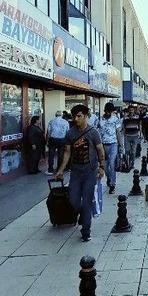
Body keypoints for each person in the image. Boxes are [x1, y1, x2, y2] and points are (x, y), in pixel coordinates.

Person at [55, 104, 105, 242]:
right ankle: (82, 215)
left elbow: (100, 150)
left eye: (79, 116)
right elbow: (67, 152)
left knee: (87, 202)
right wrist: (60, 170)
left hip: (90, 172)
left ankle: (86, 231)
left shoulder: (93, 132)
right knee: (74, 201)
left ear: (85, 116)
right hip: (75, 173)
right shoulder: (70, 133)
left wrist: (102, 167)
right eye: (74, 116)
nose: (76, 119)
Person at [98, 102, 123, 194]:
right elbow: (98, 133)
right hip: (103, 145)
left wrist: (121, 145)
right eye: (108, 111)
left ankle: (112, 184)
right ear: (105, 111)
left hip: (113, 144)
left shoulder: (115, 119)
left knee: (112, 164)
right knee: (105, 166)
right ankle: (109, 178)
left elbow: (118, 132)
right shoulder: (100, 120)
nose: (109, 113)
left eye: (111, 111)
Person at [46, 110, 69, 175]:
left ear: (55, 115)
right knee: (60, 155)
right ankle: (59, 169)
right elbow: (67, 132)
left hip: (53, 140)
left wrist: (47, 141)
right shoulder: (65, 122)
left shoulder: (51, 121)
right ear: (61, 115)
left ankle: (50, 170)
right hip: (62, 140)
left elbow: (49, 132)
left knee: (51, 155)